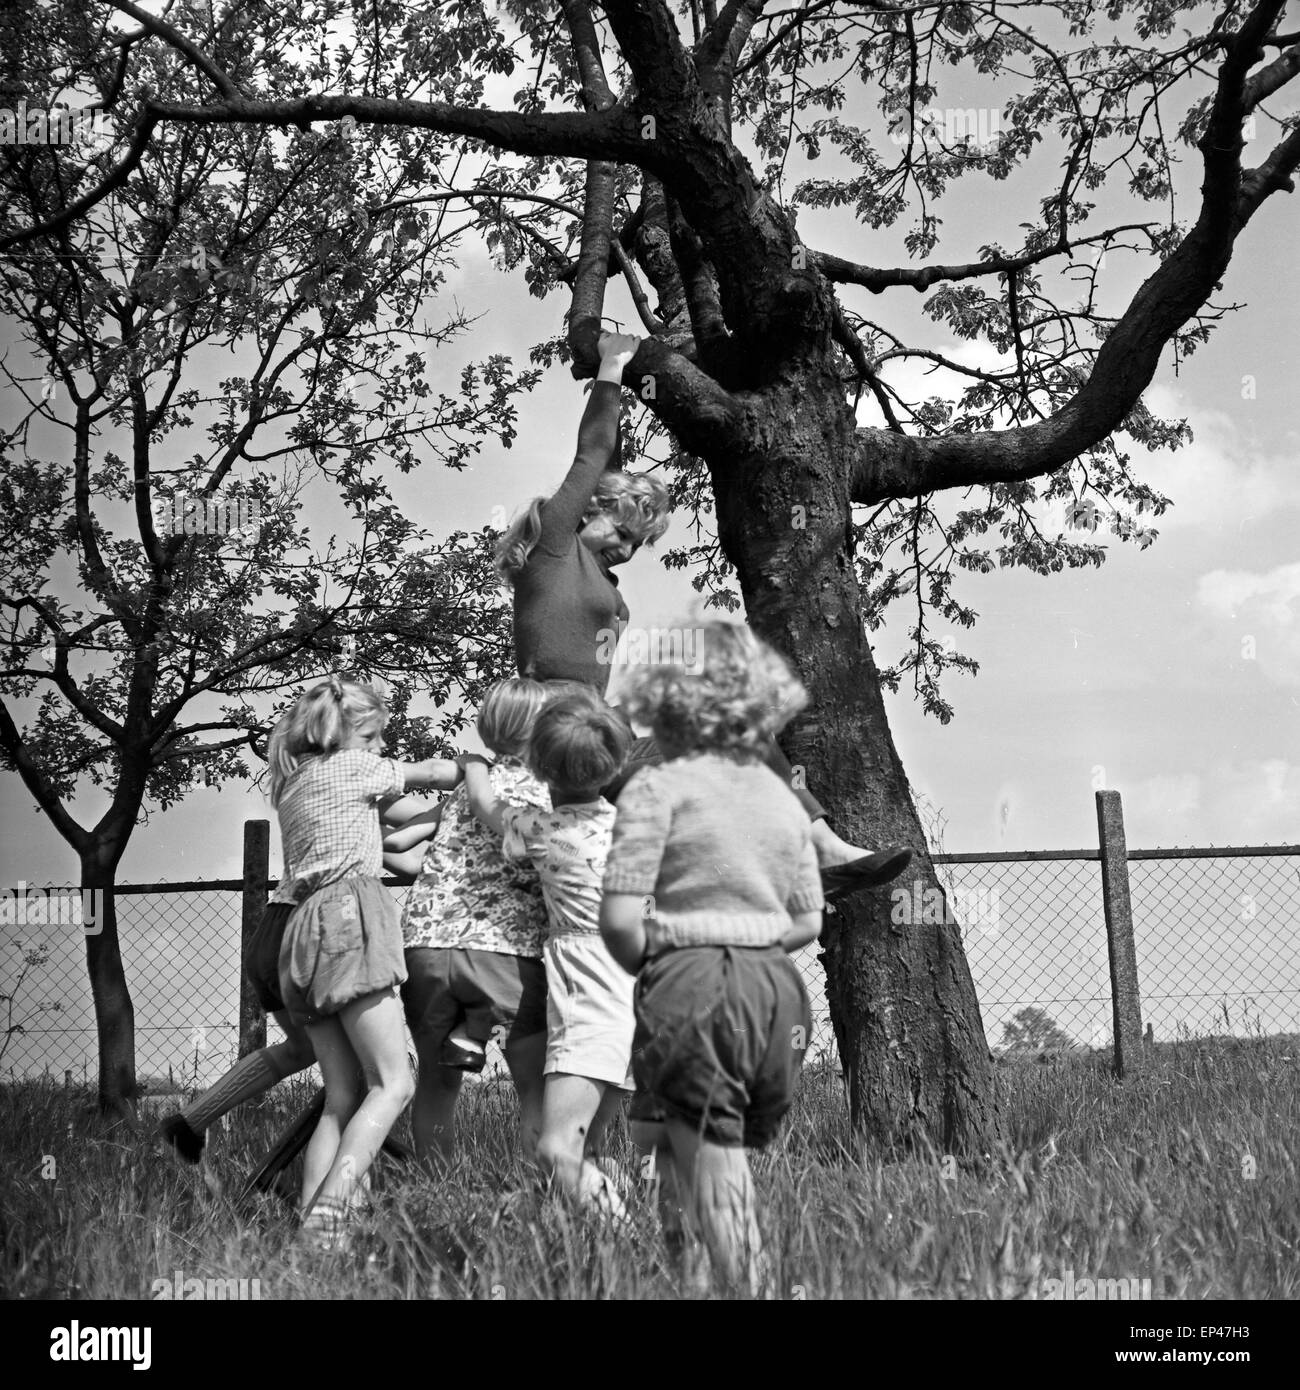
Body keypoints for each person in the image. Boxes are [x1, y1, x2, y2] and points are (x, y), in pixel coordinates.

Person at [495, 329, 911, 900]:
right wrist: (614, 367)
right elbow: (594, 457)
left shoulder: (595, 574)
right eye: (620, 531)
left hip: (603, 736)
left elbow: (609, 476)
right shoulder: (552, 552)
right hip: (554, 736)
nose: (627, 548)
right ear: (585, 510)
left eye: (638, 543)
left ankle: (820, 852)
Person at [599, 621, 824, 1294]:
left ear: (660, 700)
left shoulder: (654, 788)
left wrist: (668, 958)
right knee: (675, 1155)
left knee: (719, 1176)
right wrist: (746, 943)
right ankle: (688, 1282)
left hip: (689, 987)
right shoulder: (782, 800)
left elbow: (618, 920)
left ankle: (747, 1288)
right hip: (777, 997)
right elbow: (808, 918)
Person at [269, 675, 460, 1250]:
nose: (382, 750)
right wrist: (475, 770)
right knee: (394, 1084)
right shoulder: (356, 767)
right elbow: (435, 772)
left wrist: (431, 816)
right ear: (351, 733)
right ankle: (328, 1217)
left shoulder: (294, 780)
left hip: (299, 934)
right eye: (376, 737)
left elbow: (387, 833)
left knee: (342, 1095)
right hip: (349, 919)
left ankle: (315, 1235)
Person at [462, 688, 634, 1220]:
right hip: (642, 995)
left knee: (558, 1149)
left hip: (590, 995)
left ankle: (637, 1249)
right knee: (591, 1149)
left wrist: (473, 764)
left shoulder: (544, 830)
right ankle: (599, 1249)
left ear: (537, 767)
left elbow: (486, 807)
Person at [382, 678, 553, 1169]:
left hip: (425, 945)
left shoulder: (463, 790)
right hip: (504, 947)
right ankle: (543, 1197)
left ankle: (436, 1192)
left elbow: (396, 845)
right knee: (532, 1086)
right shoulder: (551, 791)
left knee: (437, 1084)